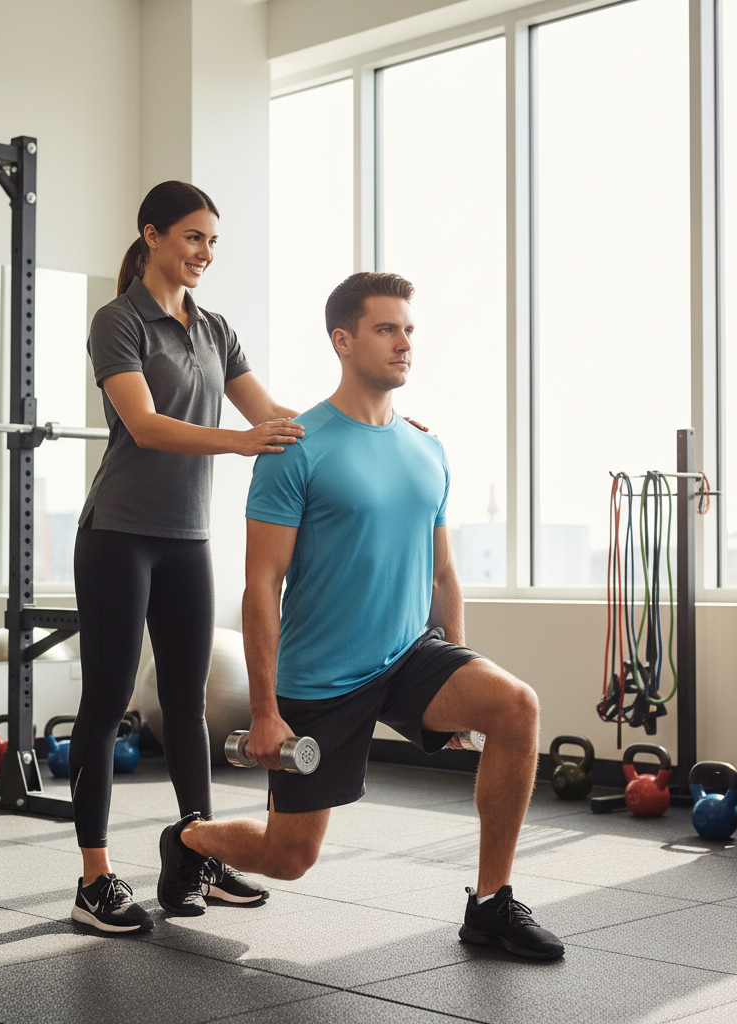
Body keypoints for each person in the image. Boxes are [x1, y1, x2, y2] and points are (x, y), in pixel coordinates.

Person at [157, 271, 566, 960]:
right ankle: (189, 840)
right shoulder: (297, 447)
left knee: (515, 706)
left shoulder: (427, 448)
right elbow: (262, 584)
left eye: (409, 329)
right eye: (386, 329)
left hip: (410, 653)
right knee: (290, 857)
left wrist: (459, 662)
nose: (404, 343)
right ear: (343, 341)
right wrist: (262, 709)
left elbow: (442, 572)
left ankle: (491, 904)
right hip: (320, 679)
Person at [69, 180, 306, 935]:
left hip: (186, 539)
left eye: (212, 242)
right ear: (153, 236)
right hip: (119, 534)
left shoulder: (216, 330)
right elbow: (143, 424)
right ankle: (95, 878)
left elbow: (273, 417)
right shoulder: (118, 321)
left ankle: (197, 848)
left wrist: (378, 421)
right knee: (107, 704)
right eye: (193, 237)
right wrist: (239, 443)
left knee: (188, 701)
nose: (205, 253)